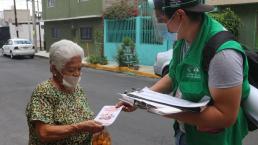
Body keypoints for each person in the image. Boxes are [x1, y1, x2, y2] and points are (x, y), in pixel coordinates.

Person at [117, 0, 250, 145]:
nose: (162, 26)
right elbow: (174, 75)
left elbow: (226, 116)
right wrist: (141, 98)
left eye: (162, 20)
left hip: (214, 140)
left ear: (180, 15)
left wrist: (161, 109)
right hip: (185, 132)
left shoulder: (224, 54)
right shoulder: (183, 40)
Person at [26, 39, 104, 145]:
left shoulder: (77, 89)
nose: (77, 74)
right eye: (71, 70)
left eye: (79, 69)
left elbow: (84, 118)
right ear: (54, 69)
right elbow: (44, 133)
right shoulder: (44, 92)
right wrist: (79, 128)